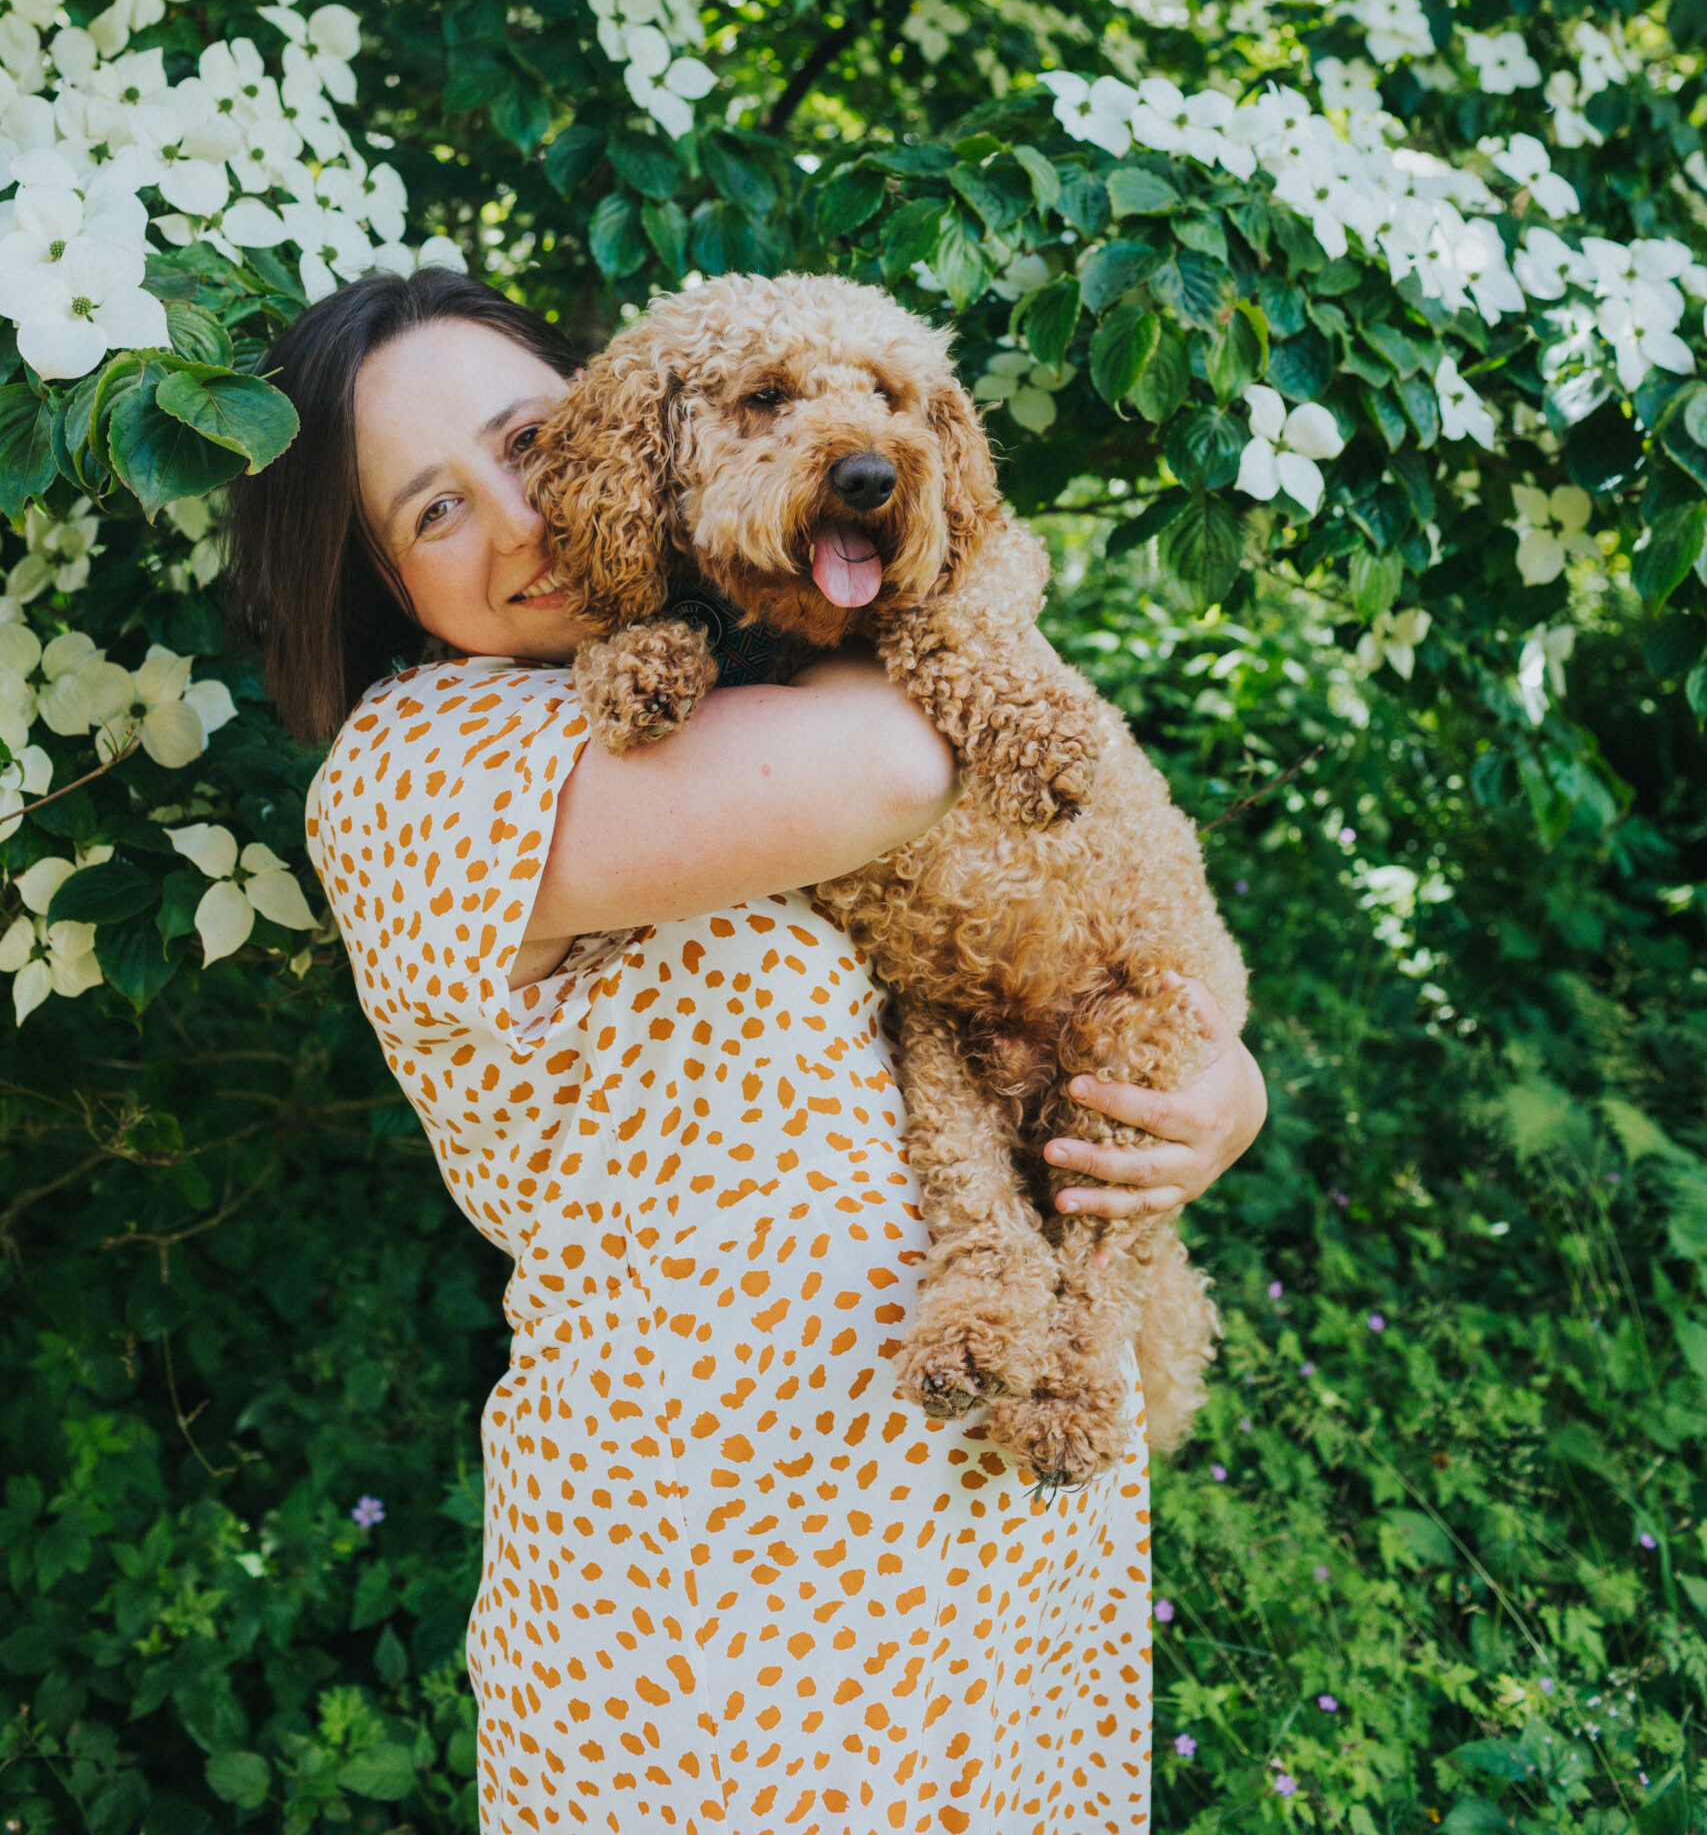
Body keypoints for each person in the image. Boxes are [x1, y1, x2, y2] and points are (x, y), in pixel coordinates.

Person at [225, 267, 1267, 1835]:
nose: (518, 521)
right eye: (433, 514)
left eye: (528, 441)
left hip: (1002, 1521)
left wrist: (1216, 1088)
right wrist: (951, 595)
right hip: (733, 1588)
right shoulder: (412, 768)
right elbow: (902, 761)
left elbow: (1068, 905)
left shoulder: (757, 635)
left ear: (626, 438)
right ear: (377, 582)